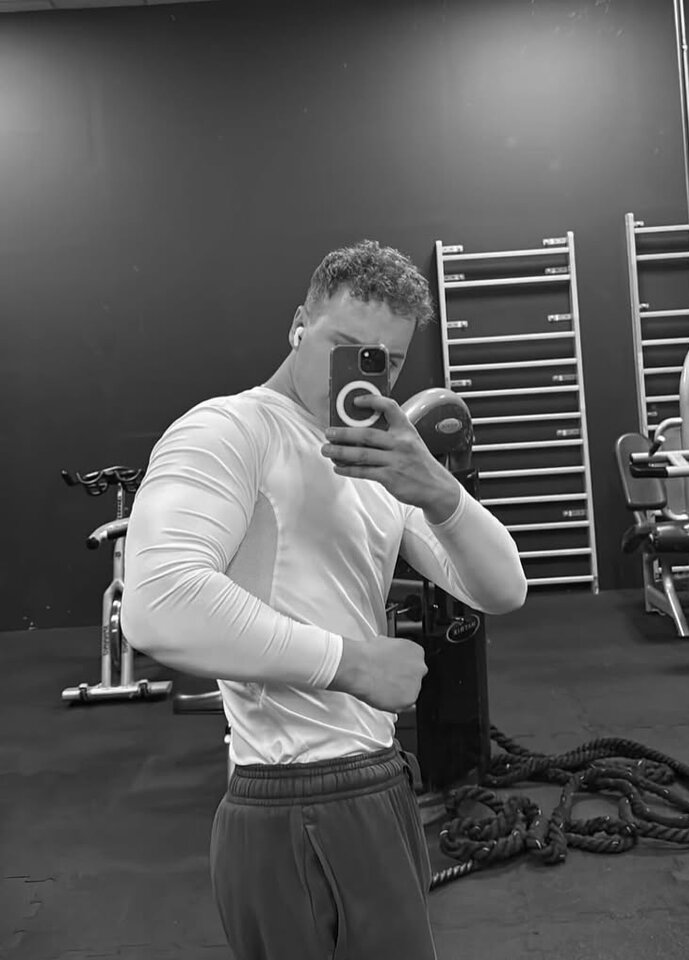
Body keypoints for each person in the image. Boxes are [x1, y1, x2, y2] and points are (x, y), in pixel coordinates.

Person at [121, 239, 528, 960]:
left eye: (387, 361)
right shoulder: (228, 430)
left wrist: (439, 492)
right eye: (346, 347)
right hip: (289, 792)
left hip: (380, 781)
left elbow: (502, 589)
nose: (366, 374)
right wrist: (352, 664)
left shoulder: (376, 457)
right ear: (299, 325)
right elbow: (159, 601)